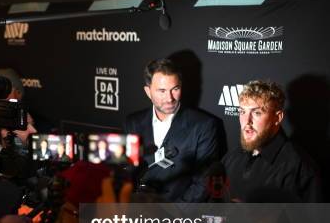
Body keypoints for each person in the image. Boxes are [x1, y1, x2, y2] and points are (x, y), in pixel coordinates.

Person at [123, 58, 221, 202]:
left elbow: (203, 182)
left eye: (175, 89)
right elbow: (128, 170)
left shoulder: (203, 126)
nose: (169, 98)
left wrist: (174, 217)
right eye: (162, 91)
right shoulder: (132, 122)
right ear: (148, 91)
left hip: (177, 217)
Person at [222, 80, 321, 202]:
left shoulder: (300, 168)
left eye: (257, 113)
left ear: (277, 117)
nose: (246, 121)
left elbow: (312, 220)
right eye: (242, 112)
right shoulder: (232, 157)